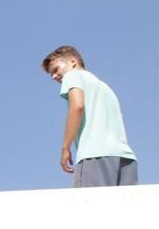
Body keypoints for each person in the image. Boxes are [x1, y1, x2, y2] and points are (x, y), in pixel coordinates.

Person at [42, 45, 137, 187]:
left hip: (95, 155)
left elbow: (77, 106)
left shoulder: (72, 75)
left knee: (87, 207)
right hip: (125, 158)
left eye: (56, 69)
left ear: (73, 62)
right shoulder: (105, 88)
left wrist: (65, 149)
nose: (54, 76)